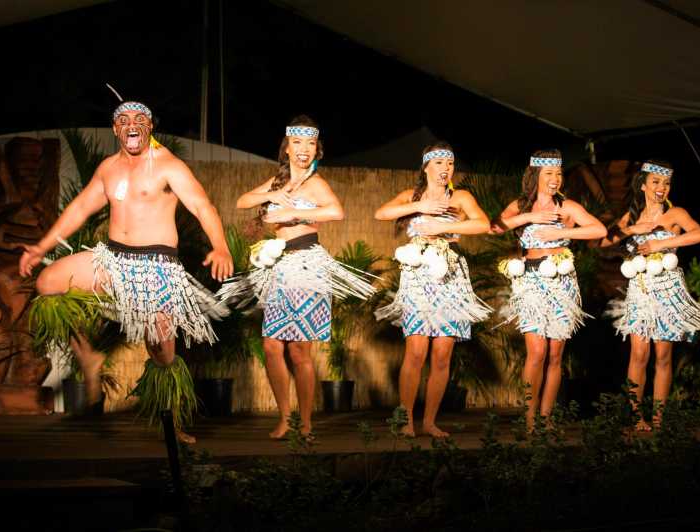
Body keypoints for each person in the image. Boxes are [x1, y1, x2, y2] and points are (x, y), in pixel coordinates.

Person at [20, 100, 233, 443]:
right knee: (48, 282)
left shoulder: (168, 165)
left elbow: (201, 205)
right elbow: (80, 209)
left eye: (139, 119)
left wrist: (220, 245)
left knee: (162, 352)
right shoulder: (108, 168)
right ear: (116, 129)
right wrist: (42, 247)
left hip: (157, 267)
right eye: (123, 120)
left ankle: (173, 423)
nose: (131, 124)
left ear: (150, 126)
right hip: (112, 260)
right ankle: (89, 359)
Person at [216, 115, 375, 439]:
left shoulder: (316, 183)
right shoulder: (277, 182)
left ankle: (305, 422)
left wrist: (294, 213)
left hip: (306, 266)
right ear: (287, 148)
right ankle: (284, 418)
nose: (304, 149)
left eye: (311, 143)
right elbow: (242, 200)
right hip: (279, 268)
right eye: (298, 143)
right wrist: (271, 197)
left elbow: (335, 212)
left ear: (317, 150)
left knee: (299, 351)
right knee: (272, 347)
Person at [374, 142, 491, 438]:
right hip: (417, 278)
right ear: (426, 167)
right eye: (439, 163)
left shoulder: (460, 197)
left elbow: (483, 224)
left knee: (442, 354)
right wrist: (419, 207)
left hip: (449, 277)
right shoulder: (410, 197)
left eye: (449, 164)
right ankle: (406, 420)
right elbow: (381, 214)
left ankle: (429, 421)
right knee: (415, 350)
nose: (445, 169)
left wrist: (443, 229)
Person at [600, 160, 700, 430]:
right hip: (640, 291)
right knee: (639, 353)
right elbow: (604, 241)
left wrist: (660, 242)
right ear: (643, 185)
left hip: (667, 289)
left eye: (665, 183)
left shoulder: (675, 214)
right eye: (655, 182)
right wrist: (632, 230)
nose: (661, 188)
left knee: (663, 355)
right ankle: (637, 417)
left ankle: (659, 419)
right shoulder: (632, 216)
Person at [496, 149, 606, 430]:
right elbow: (494, 227)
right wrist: (527, 219)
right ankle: (530, 418)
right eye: (549, 174)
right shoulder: (520, 205)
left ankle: (546, 418)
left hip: (561, 281)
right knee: (536, 351)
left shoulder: (567, 207)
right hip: (531, 281)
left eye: (558, 173)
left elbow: (599, 230)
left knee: (556, 354)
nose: (555, 179)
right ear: (535, 175)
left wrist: (561, 233)